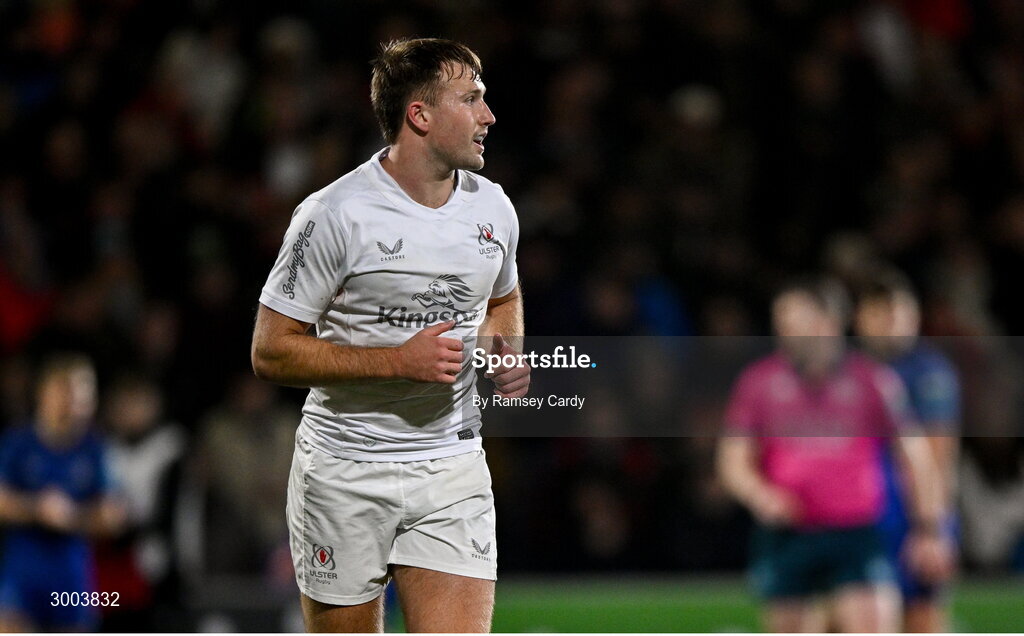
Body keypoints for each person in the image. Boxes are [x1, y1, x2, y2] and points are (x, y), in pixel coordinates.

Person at [251, 38, 529, 633]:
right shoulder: (333, 215)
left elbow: (503, 297)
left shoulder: (494, 210)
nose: (489, 116)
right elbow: (271, 350)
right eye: (472, 99)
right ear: (420, 115)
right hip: (344, 469)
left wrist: (504, 345)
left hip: (451, 467)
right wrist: (395, 362)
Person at [716, 277, 952, 633]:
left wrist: (929, 530)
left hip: (855, 533)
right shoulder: (759, 383)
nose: (786, 332)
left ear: (828, 324)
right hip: (787, 535)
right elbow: (733, 460)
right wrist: (760, 495)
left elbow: (915, 459)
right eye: (781, 322)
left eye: (797, 322)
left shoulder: (873, 381)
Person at [855, 269, 961, 632]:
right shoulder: (848, 369)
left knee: (921, 619)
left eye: (901, 312)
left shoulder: (929, 372)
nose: (893, 323)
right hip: (860, 517)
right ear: (861, 318)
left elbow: (939, 454)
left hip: (910, 516)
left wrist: (931, 528)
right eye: (882, 313)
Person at [0, 354, 125, 632]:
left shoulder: (96, 451)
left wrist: (72, 516)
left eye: (82, 396)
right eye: (65, 392)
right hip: (21, 578)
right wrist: (35, 508)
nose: (73, 405)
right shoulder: (17, 444)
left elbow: (113, 516)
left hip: (72, 582)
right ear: (43, 393)